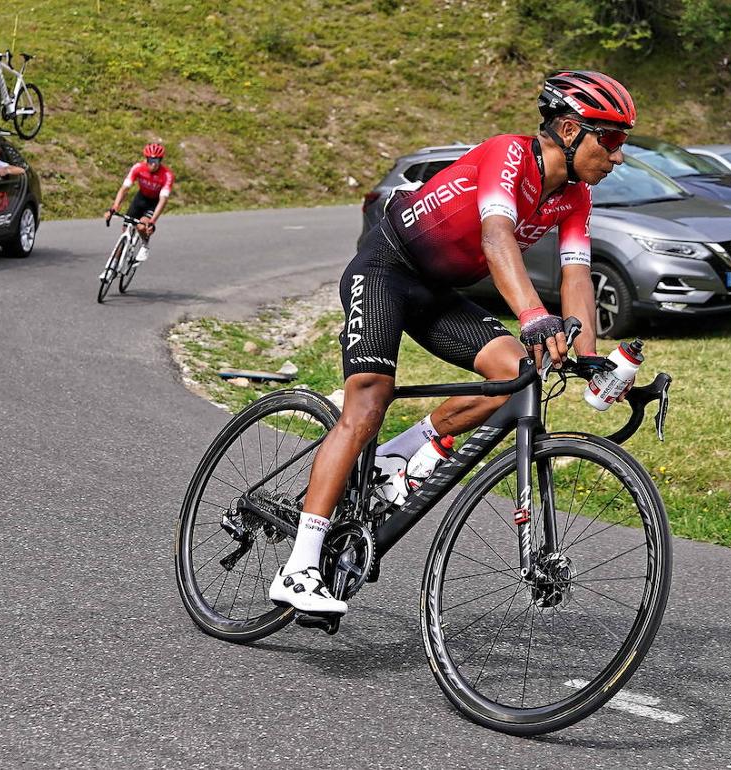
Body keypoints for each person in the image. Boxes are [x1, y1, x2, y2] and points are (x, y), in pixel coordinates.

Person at [268, 70, 638, 618]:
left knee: (518, 375)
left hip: (437, 291)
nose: (618, 157)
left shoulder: (575, 197)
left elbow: (576, 277)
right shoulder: (506, 156)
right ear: (568, 129)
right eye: (610, 140)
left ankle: (401, 453)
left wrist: (587, 356)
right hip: (387, 267)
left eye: (622, 143)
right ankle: (298, 566)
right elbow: (496, 236)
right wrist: (534, 317)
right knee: (369, 399)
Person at [103, 143, 173, 268]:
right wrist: (115, 207)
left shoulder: (166, 175)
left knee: (141, 227)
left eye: (157, 160)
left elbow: (163, 200)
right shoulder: (138, 168)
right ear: (146, 159)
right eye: (151, 160)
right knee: (125, 232)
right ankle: (113, 265)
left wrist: (152, 221)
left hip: (154, 203)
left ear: (161, 160)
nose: (153, 163)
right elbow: (124, 189)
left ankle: (145, 245)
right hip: (140, 199)